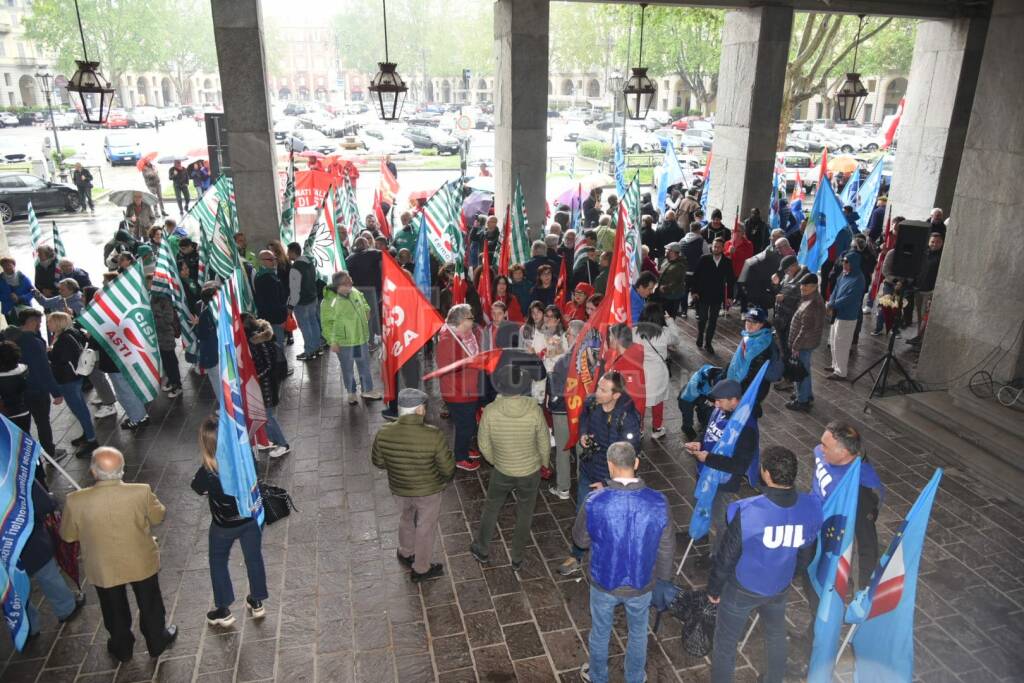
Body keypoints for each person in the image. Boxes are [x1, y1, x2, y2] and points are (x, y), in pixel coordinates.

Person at [708, 446, 823, 683]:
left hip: (742, 587)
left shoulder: (748, 510)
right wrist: (789, 575)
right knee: (776, 634)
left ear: (766, 473)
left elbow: (727, 556)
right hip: (779, 586)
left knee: (726, 644)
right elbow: (806, 554)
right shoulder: (811, 507)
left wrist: (714, 588)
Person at [60, 447, 177, 662]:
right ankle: (156, 640)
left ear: (93, 472)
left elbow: (67, 535)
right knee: (150, 602)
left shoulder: (75, 500)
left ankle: (122, 648)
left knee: (112, 608)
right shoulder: (141, 491)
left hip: (103, 566)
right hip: (140, 559)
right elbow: (158, 516)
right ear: (122, 471)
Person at [573, 441, 674, 683]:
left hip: (603, 581)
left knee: (600, 631)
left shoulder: (595, 500)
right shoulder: (658, 501)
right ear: (636, 463)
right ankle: (635, 677)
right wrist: (663, 580)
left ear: (609, 465)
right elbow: (666, 546)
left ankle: (598, 676)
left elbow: (580, 540)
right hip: (641, 583)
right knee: (638, 633)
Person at [558, 371, 641, 577]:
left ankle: (609, 562)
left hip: (612, 480)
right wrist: (583, 433)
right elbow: (584, 415)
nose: (596, 393)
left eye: (603, 390)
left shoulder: (628, 419)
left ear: (616, 395)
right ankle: (576, 555)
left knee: (611, 523)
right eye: (598, 387)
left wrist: (608, 484)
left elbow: (628, 459)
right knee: (582, 514)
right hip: (589, 469)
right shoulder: (592, 402)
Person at [469, 359, 549, 572]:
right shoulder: (534, 410)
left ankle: (482, 548)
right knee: (525, 511)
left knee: (492, 507)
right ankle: (517, 557)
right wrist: (544, 462)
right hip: (530, 471)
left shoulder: (491, 411)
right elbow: (543, 441)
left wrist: (496, 460)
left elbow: (483, 444)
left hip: (502, 470)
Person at [192, 417, 269, 627]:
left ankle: (223, 609)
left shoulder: (208, 471)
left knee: (218, 562)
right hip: (250, 520)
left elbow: (197, 488)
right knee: (254, 558)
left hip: (223, 526)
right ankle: (257, 600)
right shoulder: (246, 460)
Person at [372, 388, 454, 580]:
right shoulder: (434, 435)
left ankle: (406, 552)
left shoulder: (384, 432)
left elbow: (379, 462)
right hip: (429, 491)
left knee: (406, 518)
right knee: (426, 527)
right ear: (419, 411)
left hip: (399, 488)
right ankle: (421, 569)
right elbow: (448, 469)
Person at [683, 379, 760, 553]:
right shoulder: (720, 410)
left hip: (723, 482)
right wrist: (699, 443)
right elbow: (709, 430)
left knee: (720, 519)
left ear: (734, 400)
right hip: (705, 472)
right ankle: (698, 534)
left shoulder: (746, 428)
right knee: (699, 504)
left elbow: (739, 465)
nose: (715, 405)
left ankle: (719, 554)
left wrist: (708, 458)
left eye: (720, 401)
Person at [811, 422, 884, 590]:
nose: (820, 449)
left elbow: (868, 544)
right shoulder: (827, 454)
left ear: (843, 452)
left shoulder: (859, 491)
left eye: (825, 446)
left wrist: (864, 590)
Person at [21, 478, 86, 638]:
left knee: (14, 588)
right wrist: (52, 499)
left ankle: (26, 626)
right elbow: (44, 504)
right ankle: (66, 608)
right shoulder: (15, 469)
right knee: (47, 575)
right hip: (30, 542)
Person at [2, 309, 64, 460]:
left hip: (15, 392)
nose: (39, 326)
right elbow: (44, 370)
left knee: (23, 427)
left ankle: (26, 457)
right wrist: (56, 392)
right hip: (36, 390)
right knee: (42, 422)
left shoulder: (7, 338)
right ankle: (50, 454)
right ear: (32, 322)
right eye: (39, 323)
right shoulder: (33, 342)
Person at [321, 271, 381, 404]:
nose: (352, 283)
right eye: (348, 282)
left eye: (351, 280)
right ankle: (351, 392)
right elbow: (326, 324)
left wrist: (366, 309)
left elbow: (363, 301)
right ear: (340, 285)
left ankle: (367, 390)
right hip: (344, 342)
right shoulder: (329, 301)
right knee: (347, 368)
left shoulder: (354, 291)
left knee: (364, 365)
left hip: (360, 338)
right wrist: (332, 341)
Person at [437, 304, 484, 471]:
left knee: (468, 422)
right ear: (462, 320)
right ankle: (461, 457)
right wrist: (468, 363)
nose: (473, 319)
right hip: (458, 392)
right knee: (466, 424)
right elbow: (445, 366)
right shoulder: (448, 339)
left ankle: (464, 447)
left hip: (468, 389)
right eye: (470, 317)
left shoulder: (465, 335)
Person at [46, 312, 99, 457]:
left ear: (58, 323)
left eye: (50, 322)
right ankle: (87, 434)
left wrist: (49, 353)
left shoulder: (63, 339)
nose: (47, 324)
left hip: (68, 379)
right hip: (74, 377)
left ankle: (92, 441)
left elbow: (61, 359)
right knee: (80, 407)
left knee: (79, 409)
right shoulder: (71, 333)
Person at [243, 316, 290, 457]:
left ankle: (283, 444)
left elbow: (269, 366)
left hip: (266, 385)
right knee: (264, 415)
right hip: (263, 385)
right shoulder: (258, 337)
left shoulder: (258, 341)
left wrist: (255, 376)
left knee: (268, 416)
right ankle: (272, 440)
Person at [546, 319, 582, 499]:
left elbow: (556, 385)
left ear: (574, 335)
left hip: (563, 411)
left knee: (562, 449)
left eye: (568, 332)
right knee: (583, 448)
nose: (566, 335)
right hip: (582, 410)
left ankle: (563, 488)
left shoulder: (564, 361)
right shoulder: (590, 358)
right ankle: (585, 483)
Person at [636, 302, 679, 439]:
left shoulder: (635, 332)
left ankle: (639, 429)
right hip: (658, 373)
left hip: (640, 373)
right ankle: (657, 428)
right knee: (658, 401)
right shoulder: (664, 334)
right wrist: (670, 320)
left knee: (640, 403)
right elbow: (676, 339)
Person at [786, 273, 826, 411]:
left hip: (804, 344)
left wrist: (795, 346)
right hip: (807, 342)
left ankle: (801, 400)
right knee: (804, 370)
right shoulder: (809, 298)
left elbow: (805, 330)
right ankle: (806, 395)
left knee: (800, 372)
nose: (802, 288)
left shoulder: (812, 304)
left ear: (814, 287)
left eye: (806, 287)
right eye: (802, 286)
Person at [825, 251, 865, 380]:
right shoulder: (844, 274)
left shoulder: (859, 279)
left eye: (847, 262)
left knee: (842, 344)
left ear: (854, 263)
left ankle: (841, 372)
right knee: (833, 341)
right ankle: (834, 365)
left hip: (847, 316)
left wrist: (833, 305)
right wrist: (831, 302)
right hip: (837, 313)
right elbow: (835, 289)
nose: (844, 264)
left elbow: (850, 298)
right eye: (843, 261)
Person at [691, 238, 735, 354]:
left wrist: (729, 297)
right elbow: (696, 276)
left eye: (718, 247)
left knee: (713, 320)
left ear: (722, 248)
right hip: (703, 294)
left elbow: (730, 280)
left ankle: (708, 342)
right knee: (703, 317)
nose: (716, 249)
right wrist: (694, 291)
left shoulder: (727, 262)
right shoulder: (704, 259)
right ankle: (700, 334)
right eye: (714, 246)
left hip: (717, 295)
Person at [287, 242, 322, 361]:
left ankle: (309, 351)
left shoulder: (295, 267)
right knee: (314, 323)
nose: (287, 254)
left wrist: (290, 306)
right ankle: (317, 347)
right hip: (313, 298)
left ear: (292, 252)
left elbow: (295, 289)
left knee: (305, 326)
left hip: (302, 302)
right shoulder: (309, 262)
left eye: (288, 252)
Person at [908, 232, 944, 344]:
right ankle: (919, 337)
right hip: (919, 289)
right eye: (932, 241)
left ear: (942, 243)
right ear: (929, 242)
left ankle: (922, 340)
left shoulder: (942, 257)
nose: (934, 244)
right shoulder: (924, 253)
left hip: (930, 291)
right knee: (919, 315)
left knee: (926, 317)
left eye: (938, 242)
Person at [253, 250, 289, 355]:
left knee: (273, 343)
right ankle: (281, 367)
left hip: (266, 316)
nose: (273, 262)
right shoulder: (268, 277)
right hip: (274, 318)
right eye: (270, 259)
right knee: (278, 343)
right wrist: (282, 318)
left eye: (274, 259)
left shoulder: (262, 275)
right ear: (261, 261)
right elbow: (275, 301)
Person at [151, 287, 182, 398]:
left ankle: (177, 385)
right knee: (165, 362)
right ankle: (171, 379)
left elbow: (168, 319)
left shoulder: (164, 299)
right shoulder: (151, 298)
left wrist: (154, 319)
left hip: (166, 337)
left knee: (171, 361)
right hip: (157, 338)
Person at [724, 224, 753, 311]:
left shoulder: (748, 244)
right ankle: (726, 308)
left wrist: (735, 252)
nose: (734, 233)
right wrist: (728, 252)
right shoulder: (727, 243)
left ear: (743, 232)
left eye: (737, 231)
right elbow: (724, 257)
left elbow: (747, 257)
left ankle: (743, 311)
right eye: (733, 230)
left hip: (741, 272)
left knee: (743, 292)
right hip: (730, 271)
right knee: (728, 290)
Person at [0, 256, 34, 323]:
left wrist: (20, 298)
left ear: (14, 265)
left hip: (25, 309)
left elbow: (33, 292)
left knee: (29, 331)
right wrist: (9, 296)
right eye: (4, 266)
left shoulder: (23, 278)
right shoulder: (0, 280)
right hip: (9, 311)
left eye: (9, 265)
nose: (7, 268)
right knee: (14, 332)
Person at [658, 242, 687, 318]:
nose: (665, 251)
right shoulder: (666, 261)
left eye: (667, 250)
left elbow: (677, 281)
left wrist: (665, 288)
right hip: (663, 295)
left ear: (673, 252)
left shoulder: (680, 265)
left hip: (672, 296)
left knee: (670, 318)